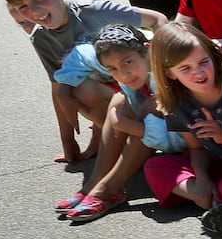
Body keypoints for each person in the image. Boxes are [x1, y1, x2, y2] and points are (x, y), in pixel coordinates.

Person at [0, 0, 165, 164]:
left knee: (87, 86)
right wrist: (68, 142)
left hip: (142, 84)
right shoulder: (40, 38)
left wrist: (160, 72)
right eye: (22, 6)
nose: (34, 11)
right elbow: (58, 85)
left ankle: (138, 140)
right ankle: (126, 140)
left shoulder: (93, 11)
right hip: (111, 89)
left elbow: (158, 19)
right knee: (76, 89)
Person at [142, 22, 222, 223]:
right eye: (185, 68)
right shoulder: (178, 102)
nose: (198, 72)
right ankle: (216, 198)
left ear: (212, 57)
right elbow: (195, 149)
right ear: (170, 73)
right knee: (155, 167)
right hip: (220, 165)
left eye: (203, 62)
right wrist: (202, 178)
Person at [56, 24, 160, 222]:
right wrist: (63, 89)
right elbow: (80, 53)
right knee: (119, 100)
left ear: (147, 50)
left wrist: (123, 123)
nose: (123, 74)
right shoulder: (129, 73)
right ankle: (95, 182)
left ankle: (109, 188)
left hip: (185, 135)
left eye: (128, 62)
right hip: (158, 127)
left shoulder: (165, 74)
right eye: (112, 69)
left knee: (143, 123)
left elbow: (166, 123)